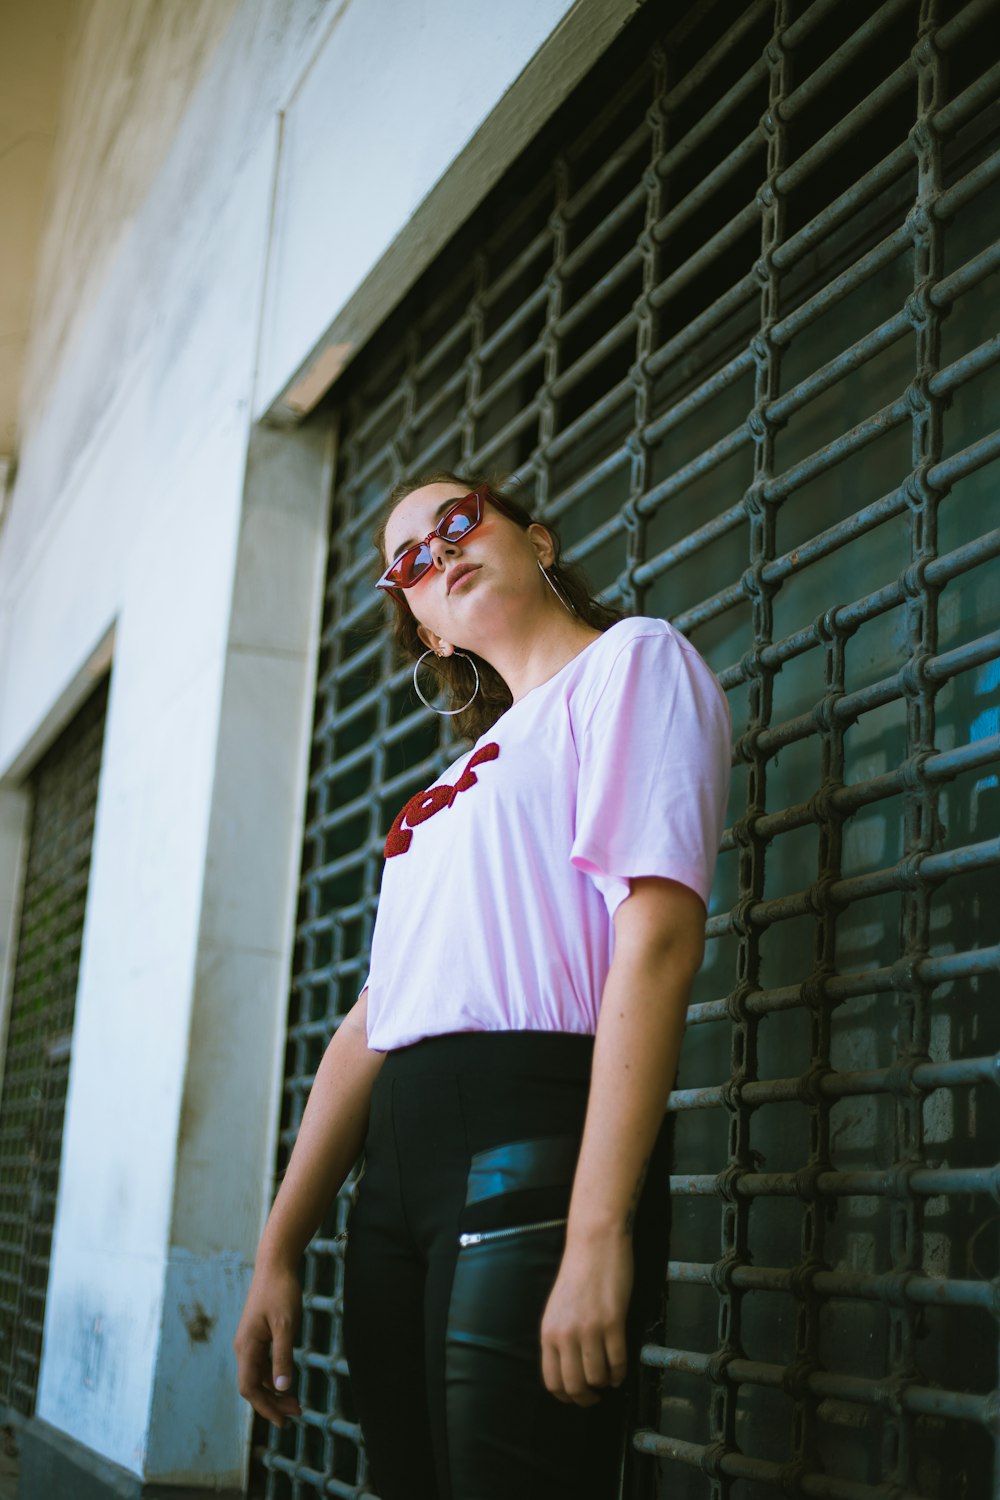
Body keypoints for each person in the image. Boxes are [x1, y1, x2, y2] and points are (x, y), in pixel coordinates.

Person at [234, 470, 732, 1499]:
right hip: (398, 1169)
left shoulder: (631, 664)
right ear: (426, 632)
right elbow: (373, 1021)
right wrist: (277, 1251)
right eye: (409, 560)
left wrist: (599, 1229)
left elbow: (656, 943)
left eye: (459, 521)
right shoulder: (443, 793)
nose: (440, 550)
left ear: (536, 542)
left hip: (534, 1134)